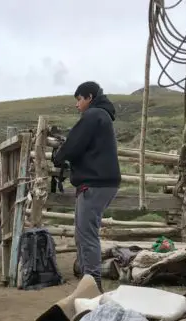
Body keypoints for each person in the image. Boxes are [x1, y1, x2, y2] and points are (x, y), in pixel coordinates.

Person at [52, 81, 121, 289]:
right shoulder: (103, 117)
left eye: (79, 99)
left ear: (89, 97)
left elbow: (73, 145)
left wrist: (58, 156)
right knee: (83, 232)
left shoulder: (93, 116)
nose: (77, 105)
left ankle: (93, 284)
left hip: (95, 183)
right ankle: (87, 280)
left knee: (86, 233)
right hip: (104, 182)